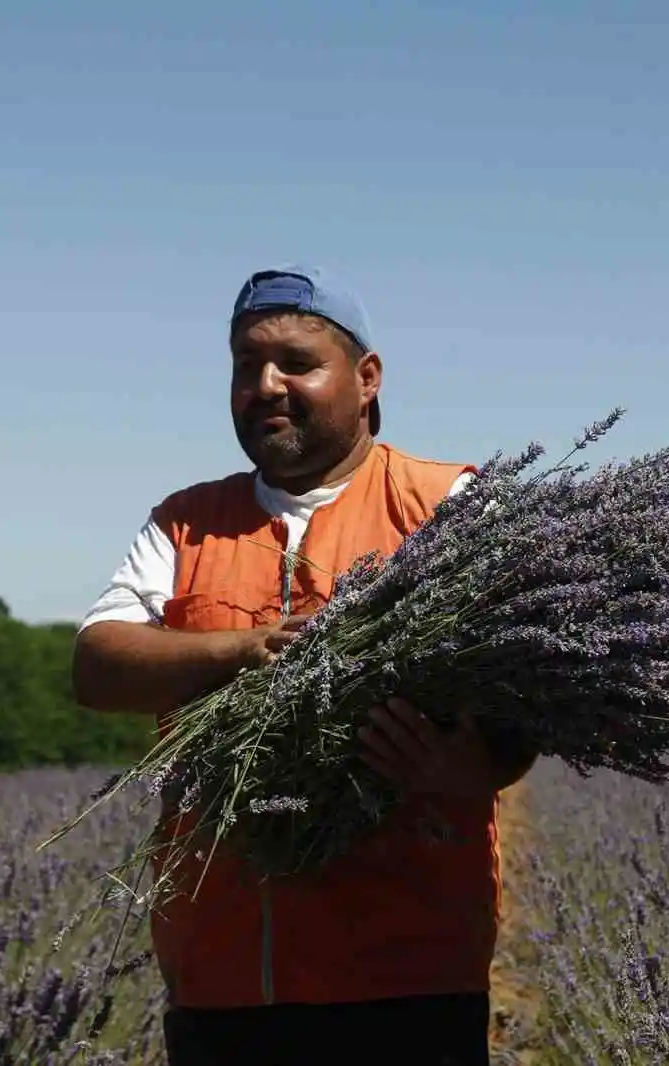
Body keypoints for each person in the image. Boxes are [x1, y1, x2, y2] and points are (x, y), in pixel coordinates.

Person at [71, 265, 537, 1065]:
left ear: (366, 379)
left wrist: (466, 766)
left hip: (407, 976)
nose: (265, 385)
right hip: (222, 974)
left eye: (295, 362)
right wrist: (244, 650)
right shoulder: (186, 524)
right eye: (245, 366)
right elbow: (97, 665)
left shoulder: (452, 507)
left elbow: (525, 701)